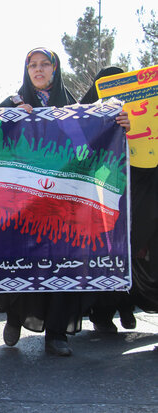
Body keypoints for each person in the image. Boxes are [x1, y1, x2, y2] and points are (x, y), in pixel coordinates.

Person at [0, 48, 130, 356]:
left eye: (44, 65)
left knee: (63, 265)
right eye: (32, 65)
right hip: (23, 204)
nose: (38, 70)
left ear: (56, 69)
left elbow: (94, 148)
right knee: (19, 264)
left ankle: (56, 334)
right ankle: (14, 318)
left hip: (63, 207)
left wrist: (120, 128)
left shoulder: (76, 111)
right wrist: (11, 112)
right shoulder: (14, 104)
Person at [79, 67, 138, 333]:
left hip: (133, 192)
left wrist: (131, 127)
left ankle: (126, 306)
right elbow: (75, 143)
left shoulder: (138, 111)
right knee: (102, 250)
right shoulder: (83, 113)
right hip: (97, 194)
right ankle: (102, 314)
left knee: (130, 248)